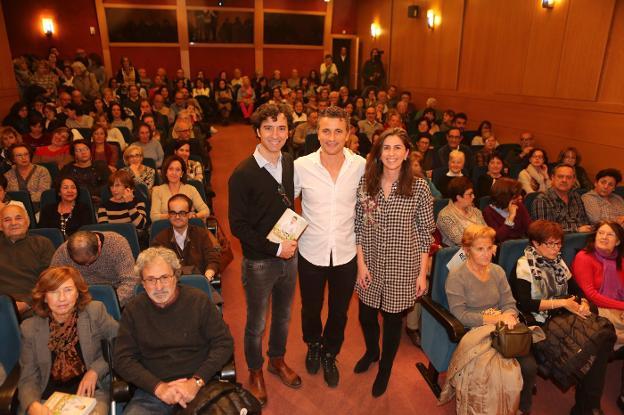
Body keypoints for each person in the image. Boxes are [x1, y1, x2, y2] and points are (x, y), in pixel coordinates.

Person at [228, 103, 301, 406]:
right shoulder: (242, 173)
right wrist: (275, 248)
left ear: (288, 132)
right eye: (268, 128)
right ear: (257, 131)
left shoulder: (288, 162)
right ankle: (255, 370)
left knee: (283, 316)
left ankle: (277, 359)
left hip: (290, 255)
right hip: (259, 261)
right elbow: (238, 226)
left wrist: (288, 245)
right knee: (256, 323)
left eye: (281, 127)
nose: (275, 134)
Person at [354, 128, 434, 396]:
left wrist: (422, 274)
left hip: (404, 264)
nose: (391, 153)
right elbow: (359, 226)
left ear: (407, 152)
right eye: (386, 148)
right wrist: (361, 265)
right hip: (372, 262)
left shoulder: (419, 187)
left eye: (397, 147)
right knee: (365, 315)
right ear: (378, 153)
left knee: (391, 321)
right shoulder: (367, 184)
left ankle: (385, 368)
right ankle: (372, 352)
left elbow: (425, 233)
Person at [294, 106, 366, 388]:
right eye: (326, 131)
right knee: (311, 308)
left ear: (348, 133)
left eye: (338, 131)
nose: (332, 137)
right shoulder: (302, 166)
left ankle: (329, 352)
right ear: (317, 132)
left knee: (339, 311)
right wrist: (284, 238)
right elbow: (287, 202)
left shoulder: (360, 165)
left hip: (346, 253)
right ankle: (313, 343)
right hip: (311, 251)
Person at [114, 247, 234, 414]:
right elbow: (122, 358)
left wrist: (197, 381)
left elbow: (224, 344)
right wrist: (158, 388)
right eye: (150, 279)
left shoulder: (198, 301)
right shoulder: (134, 310)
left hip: (199, 386)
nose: (159, 286)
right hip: (152, 391)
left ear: (176, 276)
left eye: (164, 277)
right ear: (142, 283)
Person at [514, 220, 613, 415]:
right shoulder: (524, 266)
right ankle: (589, 408)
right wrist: (562, 303)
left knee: (601, 339)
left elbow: (577, 290)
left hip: (566, 316)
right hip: (543, 322)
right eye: (551, 244)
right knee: (596, 345)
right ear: (536, 243)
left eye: (559, 243)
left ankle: (588, 408)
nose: (556, 248)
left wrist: (583, 303)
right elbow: (524, 304)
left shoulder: (558, 262)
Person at [445, 224, 537, 415]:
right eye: (480, 249)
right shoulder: (457, 277)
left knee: (529, 366)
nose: (487, 254)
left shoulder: (497, 271)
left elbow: (509, 302)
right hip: (476, 332)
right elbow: (460, 315)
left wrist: (509, 316)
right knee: (497, 373)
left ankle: (522, 408)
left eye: (490, 248)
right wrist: (493, 319)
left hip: (504, 327)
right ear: (466, 250)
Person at [17, 266, 118, 415]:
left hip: (90, 396)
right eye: (53, 291)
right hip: (47, 400)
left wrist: (95, 371)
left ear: (77, 293)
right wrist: (33, 406)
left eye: (68, 290)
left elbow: (121, 345)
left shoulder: (95, 312)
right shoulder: (30, 328)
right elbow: (28, 378)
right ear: (44, 297)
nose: (62, 298)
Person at [572, 221, 624, 410]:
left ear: (618, 242)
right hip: (594, 309)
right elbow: (590, 295)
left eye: (609, 235)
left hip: (618, 309)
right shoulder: (584, 257)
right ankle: (589, 406)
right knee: (603, 341)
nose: (603, 237)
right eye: (600, 233)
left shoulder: (620, 259)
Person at [51, 230, 137, 305]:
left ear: (99, 246)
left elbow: (130, 281)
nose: (87, 266)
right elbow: (52, 284)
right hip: (79, 298)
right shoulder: (62, 253)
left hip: (115, 294)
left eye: (90, 262)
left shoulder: (117, 244)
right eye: (80, 263)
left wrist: (112, 304)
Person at [0, 204, 54, 314]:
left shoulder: (42, 244)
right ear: (1, 226)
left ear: (27, 222)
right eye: (7, 220)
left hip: (35, 306)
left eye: (18, 218)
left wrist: (28, 303)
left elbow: (50, 280)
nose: (13, 223)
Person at [152, 194, 219, 280]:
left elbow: (212, 258)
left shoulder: (201, 234)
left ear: (189, 214)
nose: (177, 217)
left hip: (199, 283)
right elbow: (156, 266)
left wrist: (208, 275)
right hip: (171, 287)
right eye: (173, 213)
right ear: (168, 215)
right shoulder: (159, 239)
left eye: (182, 213)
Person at [531, 164, 592, 233]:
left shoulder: (576, 196)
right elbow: (544, 231)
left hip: (581, 238)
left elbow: (585, 221)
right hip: (557, 241)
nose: (564, 180)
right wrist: (576, 230)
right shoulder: (542, 200)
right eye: (560, 177)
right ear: (552, 178)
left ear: (573, 180)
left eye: (568, 177)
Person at [151, 155, 210, 221]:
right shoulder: (157, 190)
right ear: (166, 172)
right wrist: (173, 216)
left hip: (188, 227)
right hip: (166, 227)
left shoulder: (191, 189)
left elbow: (206, 211)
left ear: (182, 173)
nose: (174, 173)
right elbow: (154, 216)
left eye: (178, 170)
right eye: (171, 169)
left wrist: (194, 216)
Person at [436, 176, 486, 247]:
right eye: (470, 194)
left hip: (480, 248)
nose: (473, 196)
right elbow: (460, 240)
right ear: (459, 197)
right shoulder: (445, 216)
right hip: (459, 254)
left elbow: (487, 231)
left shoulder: (475, 211)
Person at [60, 140, 110, 204]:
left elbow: (109, 184)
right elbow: (60, 186)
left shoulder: (101, 166)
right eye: (78, 150)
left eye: (86, 149)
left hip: (99, 200)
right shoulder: (67, 169)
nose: (83, 152)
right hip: (74, 201)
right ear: (74, 154)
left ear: (90, 151)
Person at [4, 143, 51, 211]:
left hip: (39, 209)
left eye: (26, 154)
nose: (24, 158)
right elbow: (7, 196)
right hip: (15, 210)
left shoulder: (42, 171)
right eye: (19, 155)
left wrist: (20, 198)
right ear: (13, 159)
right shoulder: (7, 175)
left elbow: (43, 194)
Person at [483, 178, 531, 243]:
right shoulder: (488, 212)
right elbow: (498, 238)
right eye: (515, 196)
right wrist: (511, 217)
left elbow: (530, 228)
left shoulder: (519, 205)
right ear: (505, 197)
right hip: (504, 248)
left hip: (522, 244)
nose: (520, 197)